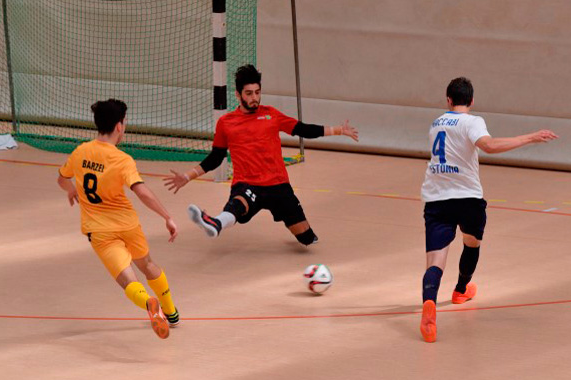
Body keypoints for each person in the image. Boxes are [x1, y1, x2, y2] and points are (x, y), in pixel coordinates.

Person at [419, 77, 558, 343]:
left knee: (435, 261)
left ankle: (429, 304)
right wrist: (530, 137)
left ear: (448, 100)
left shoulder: (436, 124)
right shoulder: (472, 121)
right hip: (468, 198)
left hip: (436, 198)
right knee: (471, 244)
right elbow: (489, 146)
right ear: (471, 101)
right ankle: (461, 290)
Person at [163, 64, 358, 246]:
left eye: (257, 92)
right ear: (238, 95)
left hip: (278, 185)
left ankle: (300, 230)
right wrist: (187, 176)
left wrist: (339, 130)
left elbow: (302, 129)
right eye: (249, 93)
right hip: (248, 184)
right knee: (238, 204)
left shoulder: (271, 114)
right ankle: (216, 223)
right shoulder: (226, 122)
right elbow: (216, 157)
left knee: (307, 239)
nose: (254, 97)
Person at [57, 99, 181, 339]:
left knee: (127, 278)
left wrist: (72, 190)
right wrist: (167, 216)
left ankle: (148, 303)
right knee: (147, 265)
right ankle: (171, 311)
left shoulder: (81, 151)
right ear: (119, 126)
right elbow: (142, 192)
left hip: (99, 231)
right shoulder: (123, 160)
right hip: (128, 225)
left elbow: (61, 179)